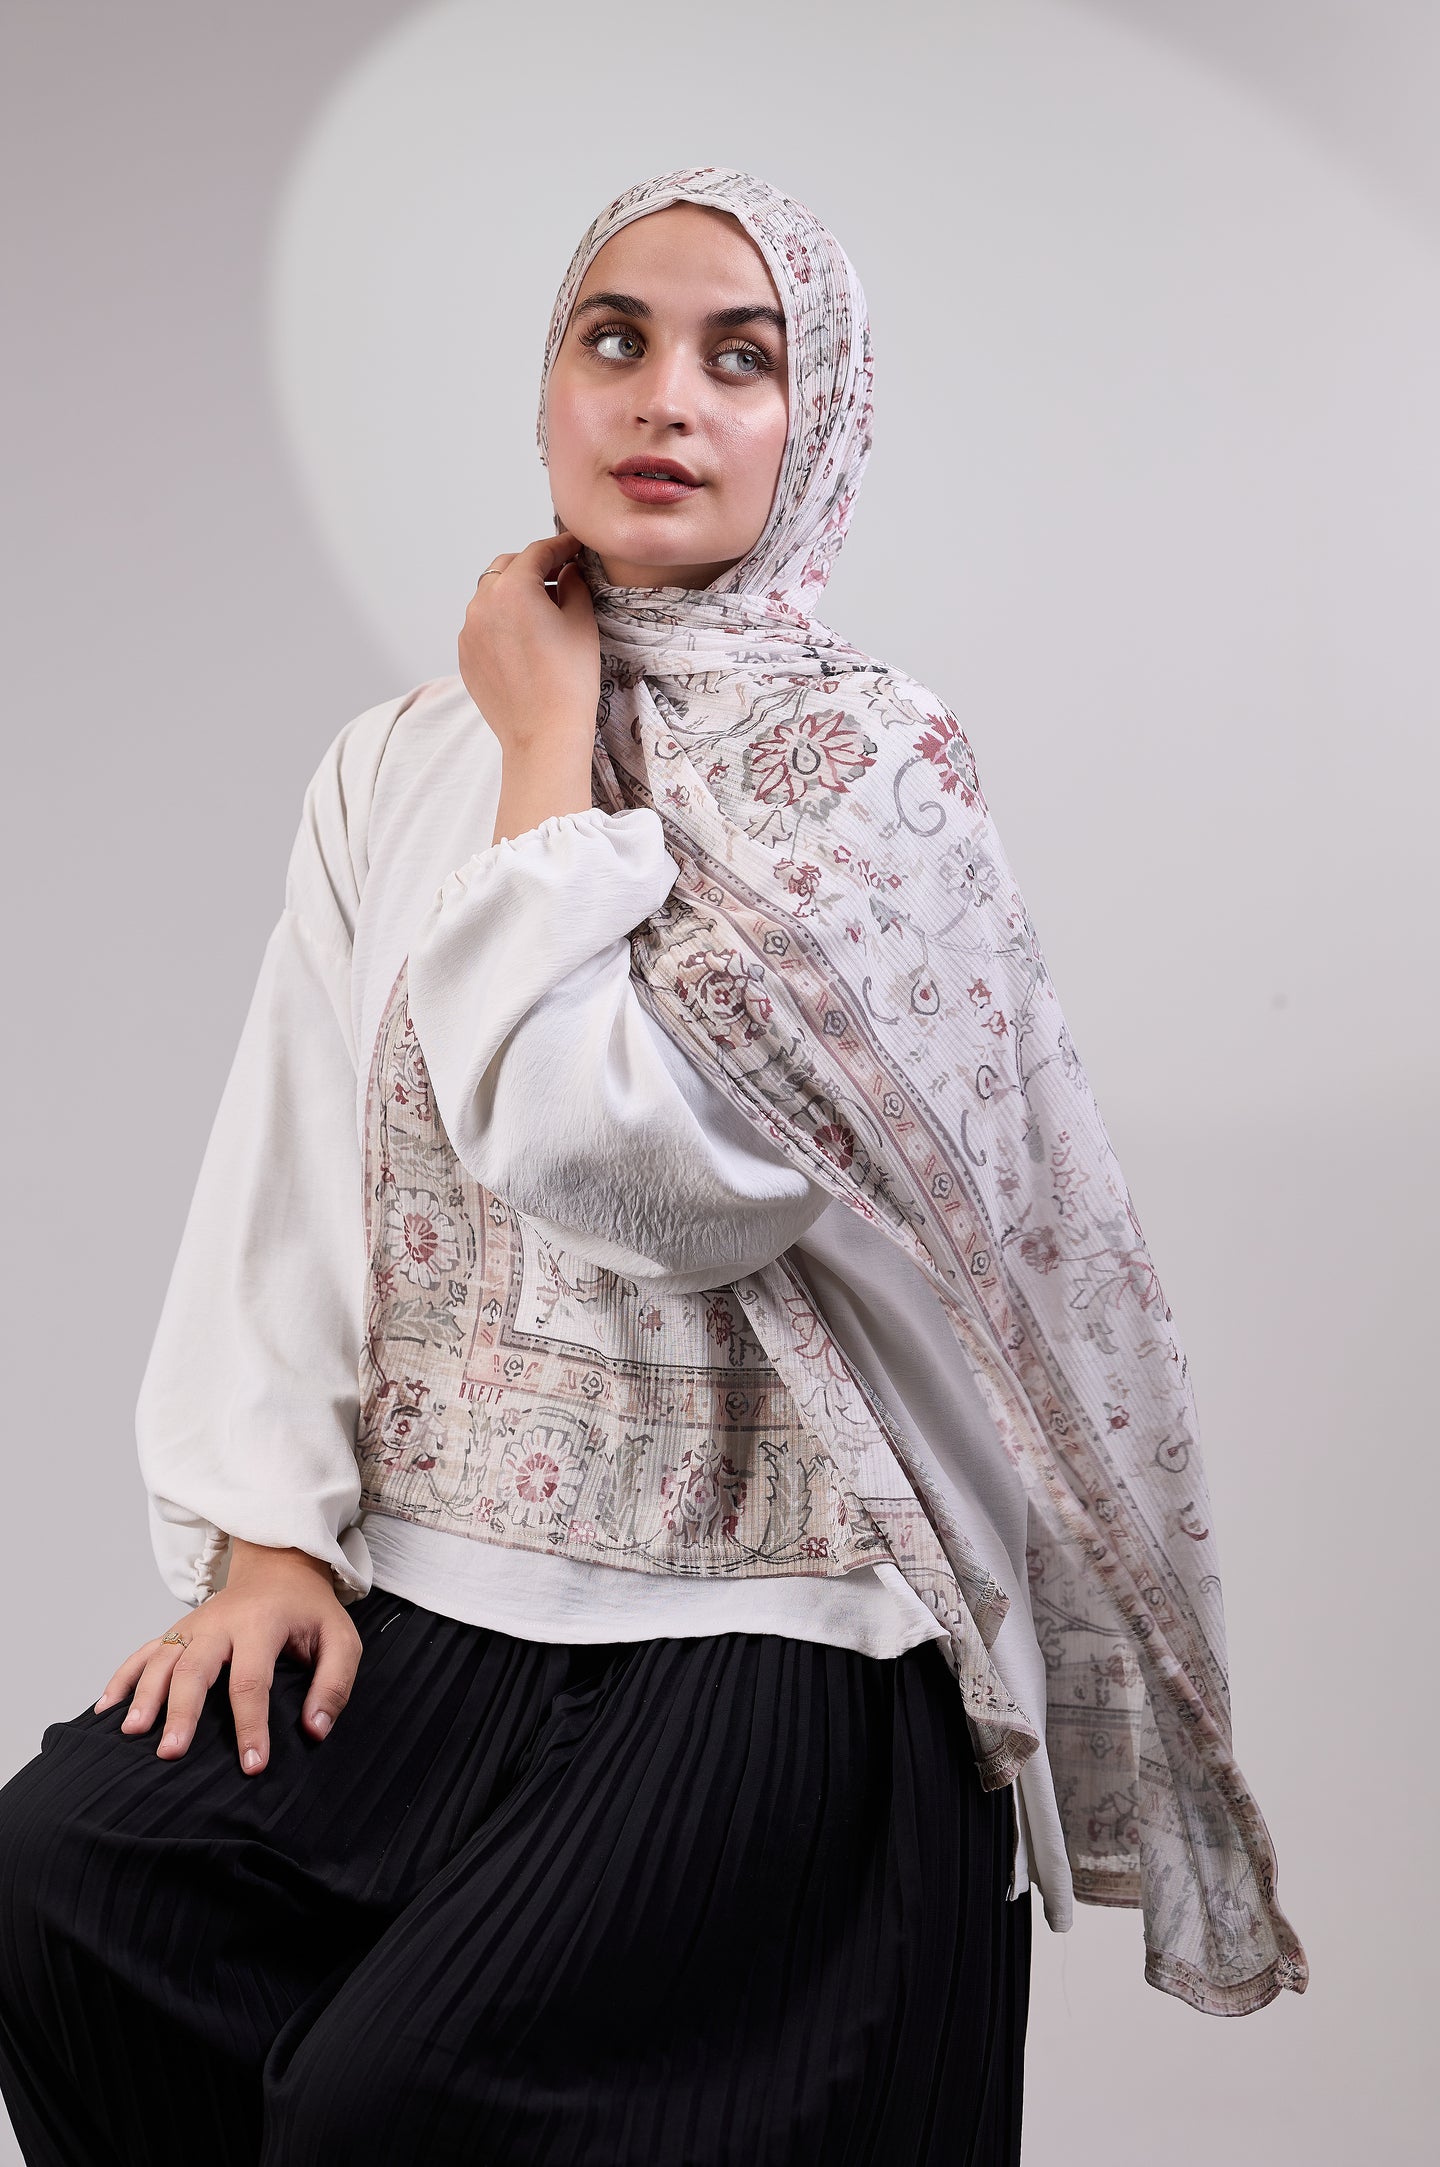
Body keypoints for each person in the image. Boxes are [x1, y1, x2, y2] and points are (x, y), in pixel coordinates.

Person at [0, 166, 1305, 2167]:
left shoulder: (867, 774)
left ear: (818, 423)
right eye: (614, 339)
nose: (666, 398)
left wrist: (552, 751)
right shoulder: (395, 761)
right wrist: (266, 1542)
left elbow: (622, 1168)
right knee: (70, 1885)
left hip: (784, 1633)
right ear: (547, 391)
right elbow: (289, 1154)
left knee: (386, 2110)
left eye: (742, 358)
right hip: (440, 1600)